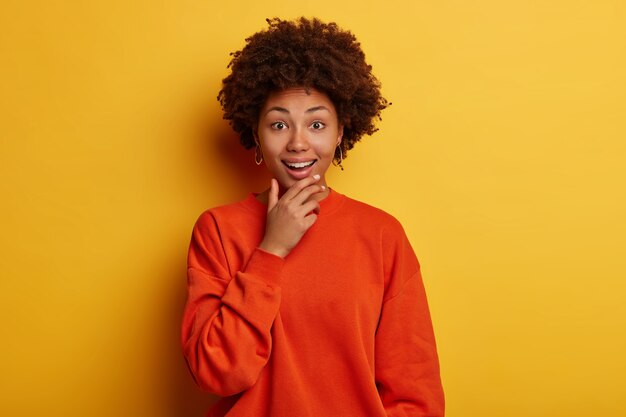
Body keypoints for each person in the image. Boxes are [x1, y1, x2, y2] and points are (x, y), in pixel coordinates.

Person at [181, 17, 445, 417]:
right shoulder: (218, 230)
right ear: (256, 132)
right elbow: (217, 373)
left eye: (317, 124)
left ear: (341, 132)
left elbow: (414, 391)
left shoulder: (381, 234)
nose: (299, 142)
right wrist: (270, 251)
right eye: (279, 124)